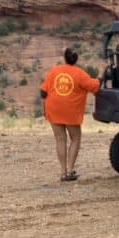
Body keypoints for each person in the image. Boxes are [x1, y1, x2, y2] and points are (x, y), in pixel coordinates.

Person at [40, 48, 104, 182]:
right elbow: (95, 87)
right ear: (76, 59)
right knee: (75, 138)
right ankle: (70, 170)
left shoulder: (54, 71)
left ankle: (63, 172)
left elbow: (43, 92)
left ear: (65, 58)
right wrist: (102, 73)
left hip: (54, 108)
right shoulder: (80, 74)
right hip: (71, 111)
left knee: (60, 139)